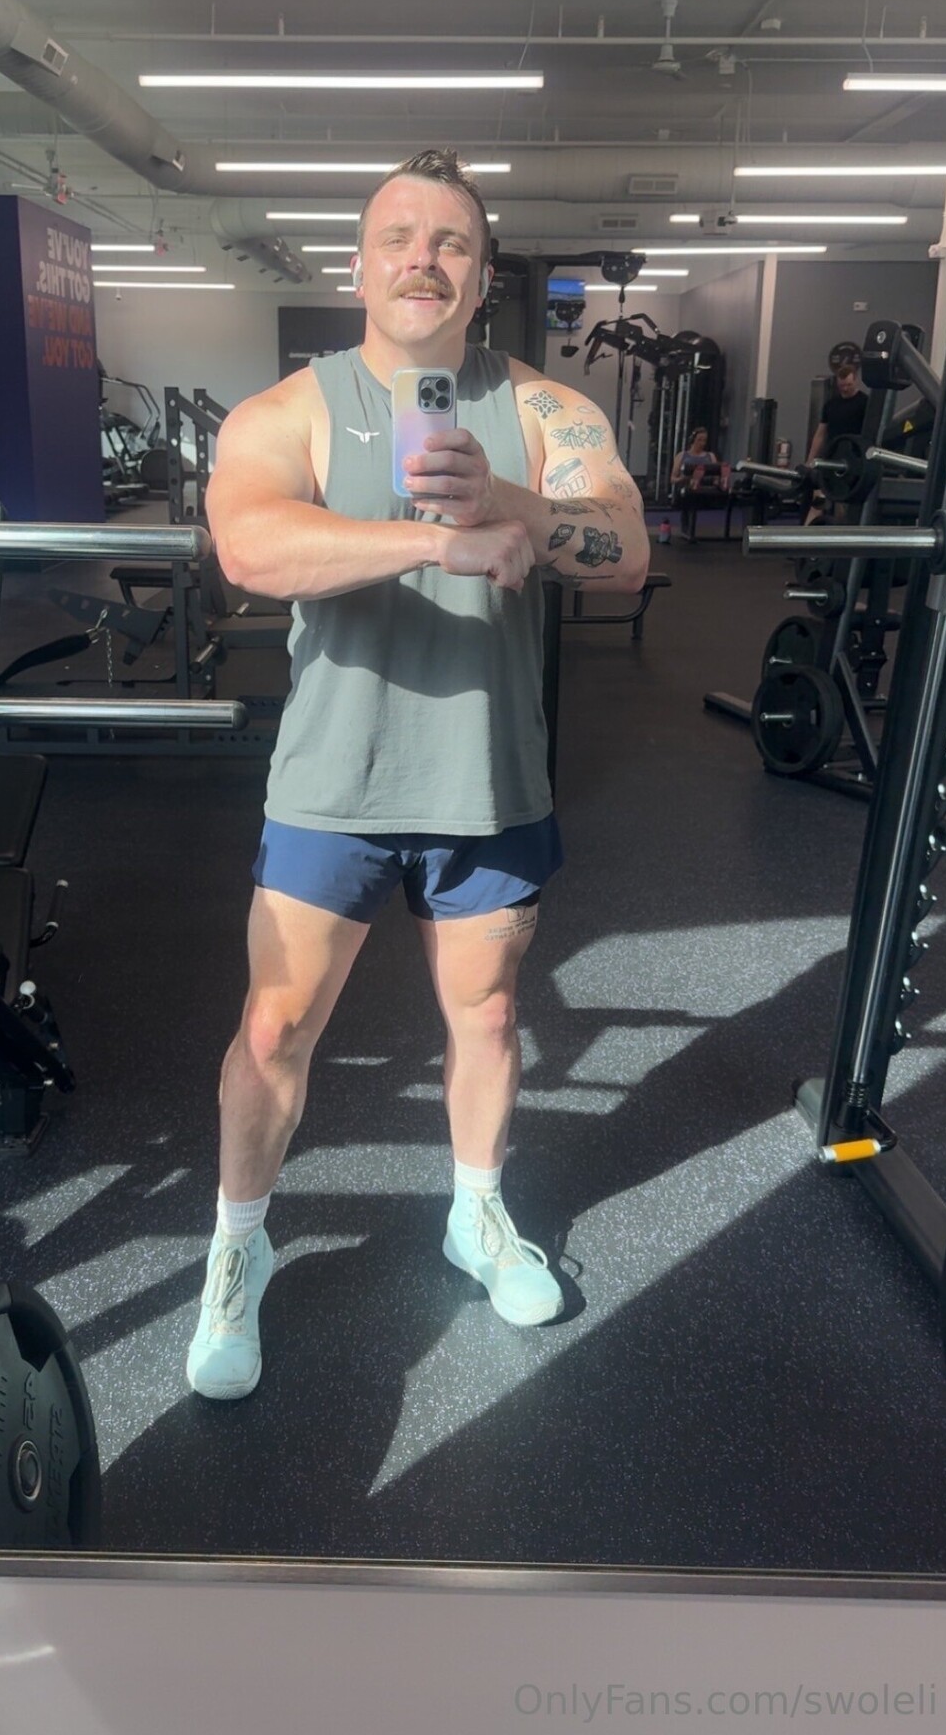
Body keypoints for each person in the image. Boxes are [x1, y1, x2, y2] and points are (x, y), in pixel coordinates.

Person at [187, 147, 650, 1400]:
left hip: (486, 781)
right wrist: (434, 542)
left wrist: (510, 501)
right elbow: (250, 546)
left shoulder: (548, 412)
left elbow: (624, 547)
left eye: (451, 243)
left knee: (487, 1015)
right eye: (398, 238)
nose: (422, 260)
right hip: (332, 781)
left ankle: (475, 1213)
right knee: (276, 1026)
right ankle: (238, 1245)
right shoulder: (288, 410)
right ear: (358, 266)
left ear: (483, 277)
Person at [804, 356, 868, 524]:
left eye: (848, 385)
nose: (845, 389)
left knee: (843, 505)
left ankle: (841, 533)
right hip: (831, 457)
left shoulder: (865, 403)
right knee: (818, 500)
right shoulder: (831, 404)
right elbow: (820, 434)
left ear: (856, 381)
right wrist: (810, 460)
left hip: (853, 461)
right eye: (842, 386)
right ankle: (804, 534)